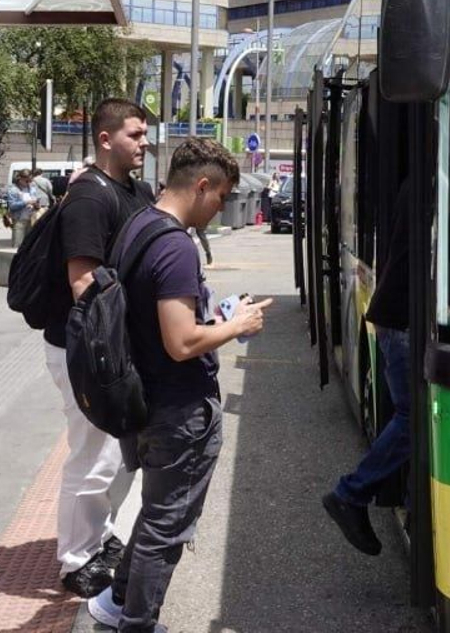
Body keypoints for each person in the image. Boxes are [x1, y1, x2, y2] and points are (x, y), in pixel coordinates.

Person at [87, 138, 269, 632]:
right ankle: (138, 624)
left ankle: (118, 600)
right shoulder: (174, 246)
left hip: (147, 399)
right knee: (166, 527)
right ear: (202, 184)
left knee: (156, 514)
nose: (222, 208)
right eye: (222, 196)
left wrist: (217, 315)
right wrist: (238, 326)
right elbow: (182, 341)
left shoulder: (138, 225)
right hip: (178, 408)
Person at [47, 99, 156, 597]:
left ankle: (99, 536)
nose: (145, 142)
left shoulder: (135, 190)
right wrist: (112, 360)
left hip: (117, 347)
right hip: (91, 348)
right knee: (92, 456)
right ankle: (74, 560)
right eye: (135, 134)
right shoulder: (90, 196)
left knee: (113, 455)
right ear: (105, 139)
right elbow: (83, 283)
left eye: (145, 134)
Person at [322, 176, 412, 555]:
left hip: (399, 317)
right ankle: (351, 493)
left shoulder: (426, 178)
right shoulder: (435, 179)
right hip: (403, 320)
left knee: (413, 416)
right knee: (415, 417)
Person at [5, 171, 40, 247]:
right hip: (19, 220)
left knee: (29, 245)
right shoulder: (13, 190)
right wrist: (26, 202)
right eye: (27, 181)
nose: (29, 183)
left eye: (30, 181)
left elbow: (36, 200)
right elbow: (12, 206)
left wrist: (36, 205)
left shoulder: (32, 189)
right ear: (20, 179)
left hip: (31, 219)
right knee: (18, 245)